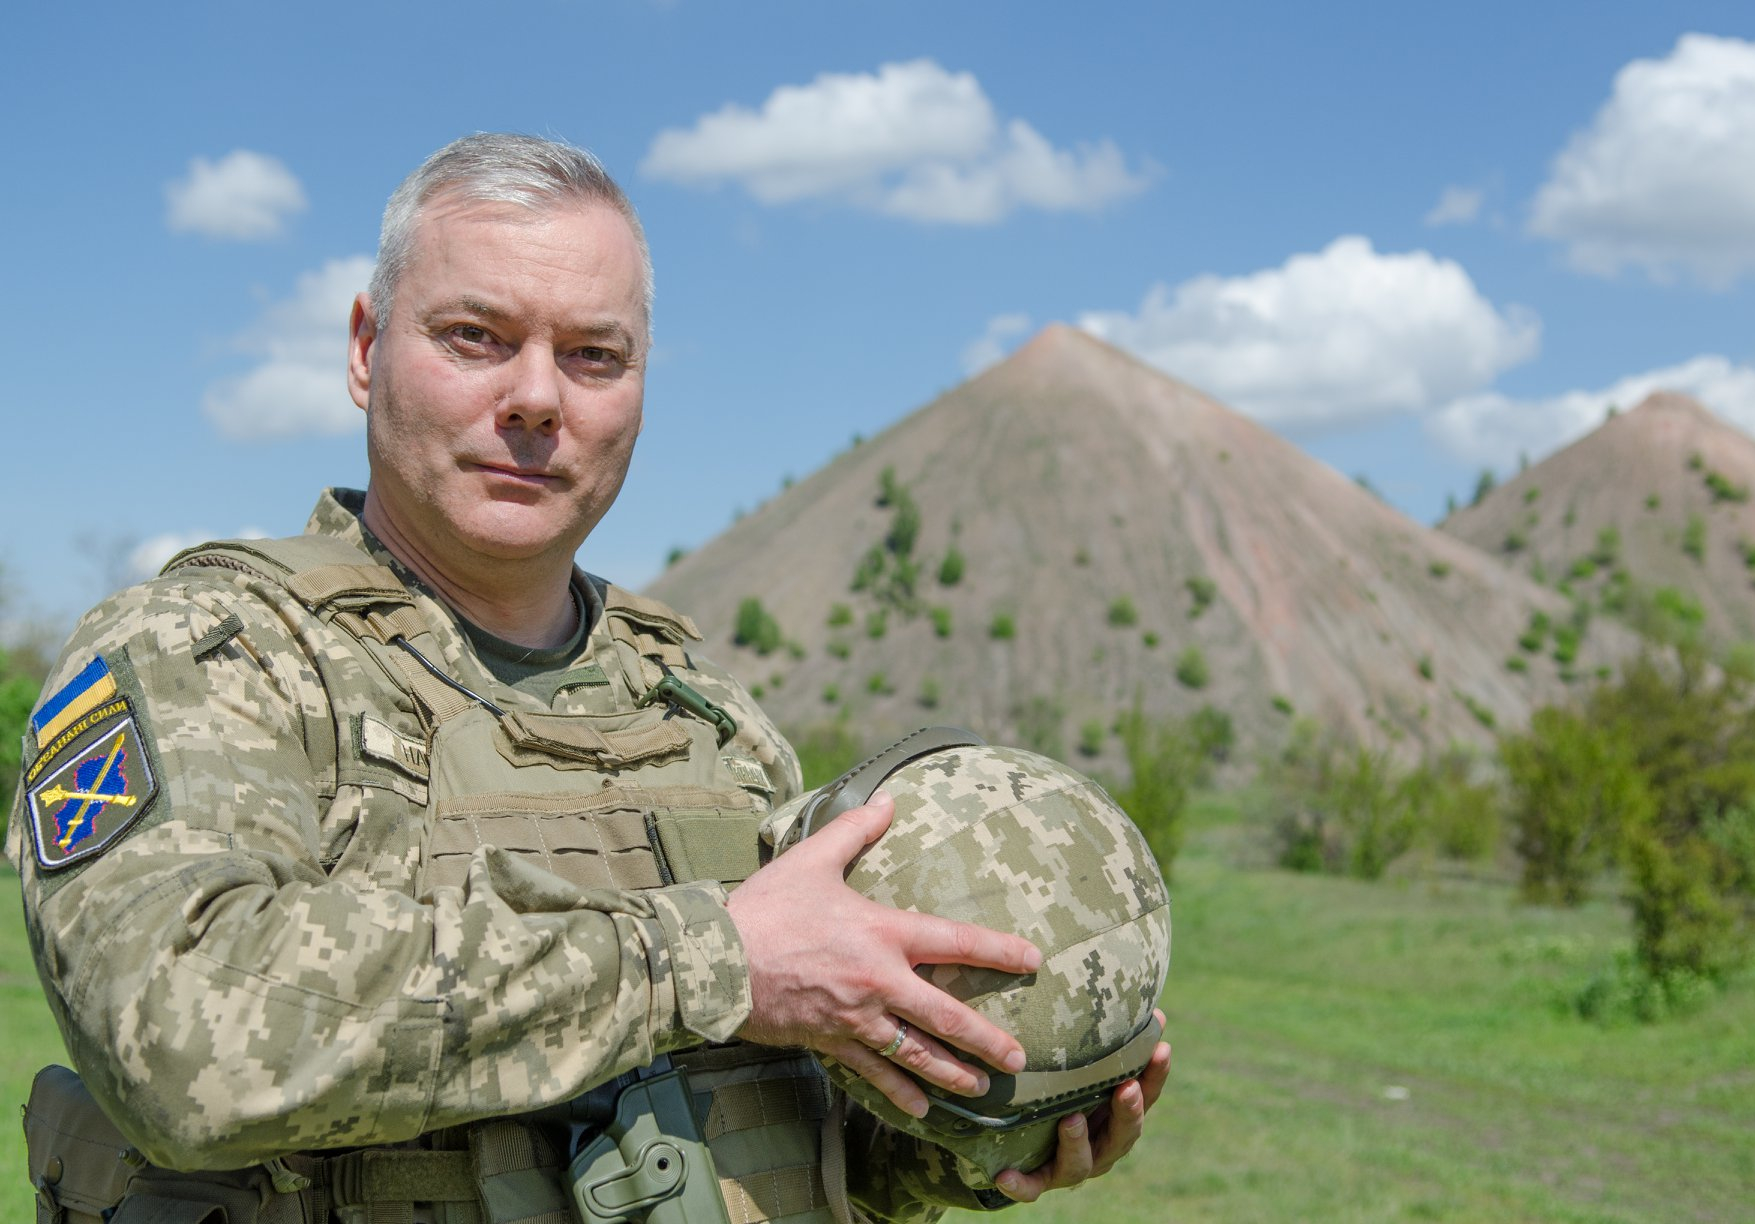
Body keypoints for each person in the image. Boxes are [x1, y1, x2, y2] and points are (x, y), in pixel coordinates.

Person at [12, 133, 1168, 1224]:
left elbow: (778, 1136)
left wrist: (965, 1133)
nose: (536, 397)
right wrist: (714, 960)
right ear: (367, 349)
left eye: (592, 355)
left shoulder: (706, 718)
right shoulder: (214, 653)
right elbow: (179, 1044)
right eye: (474, 336)